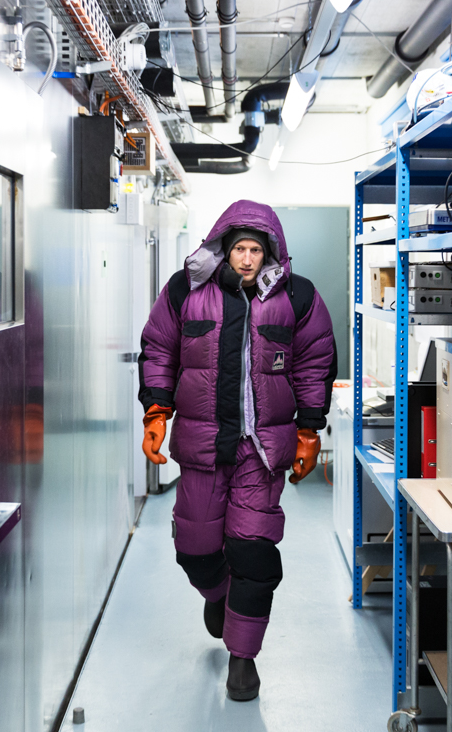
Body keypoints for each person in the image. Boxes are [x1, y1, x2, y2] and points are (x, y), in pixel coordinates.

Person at [137, 200, 337, 701]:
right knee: (196, 551)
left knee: (254, 551)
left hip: (262, 450)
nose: (247, 259)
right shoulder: (186, 290)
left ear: (270, 253)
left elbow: (315, 361)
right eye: (240, 249)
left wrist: (310, 430)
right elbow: (159, 347)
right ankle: (216, 593)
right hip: (203, 445)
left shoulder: (299, 296)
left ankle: (243, 659)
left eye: (256, 250)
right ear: (224, 249)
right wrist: (156, 412)